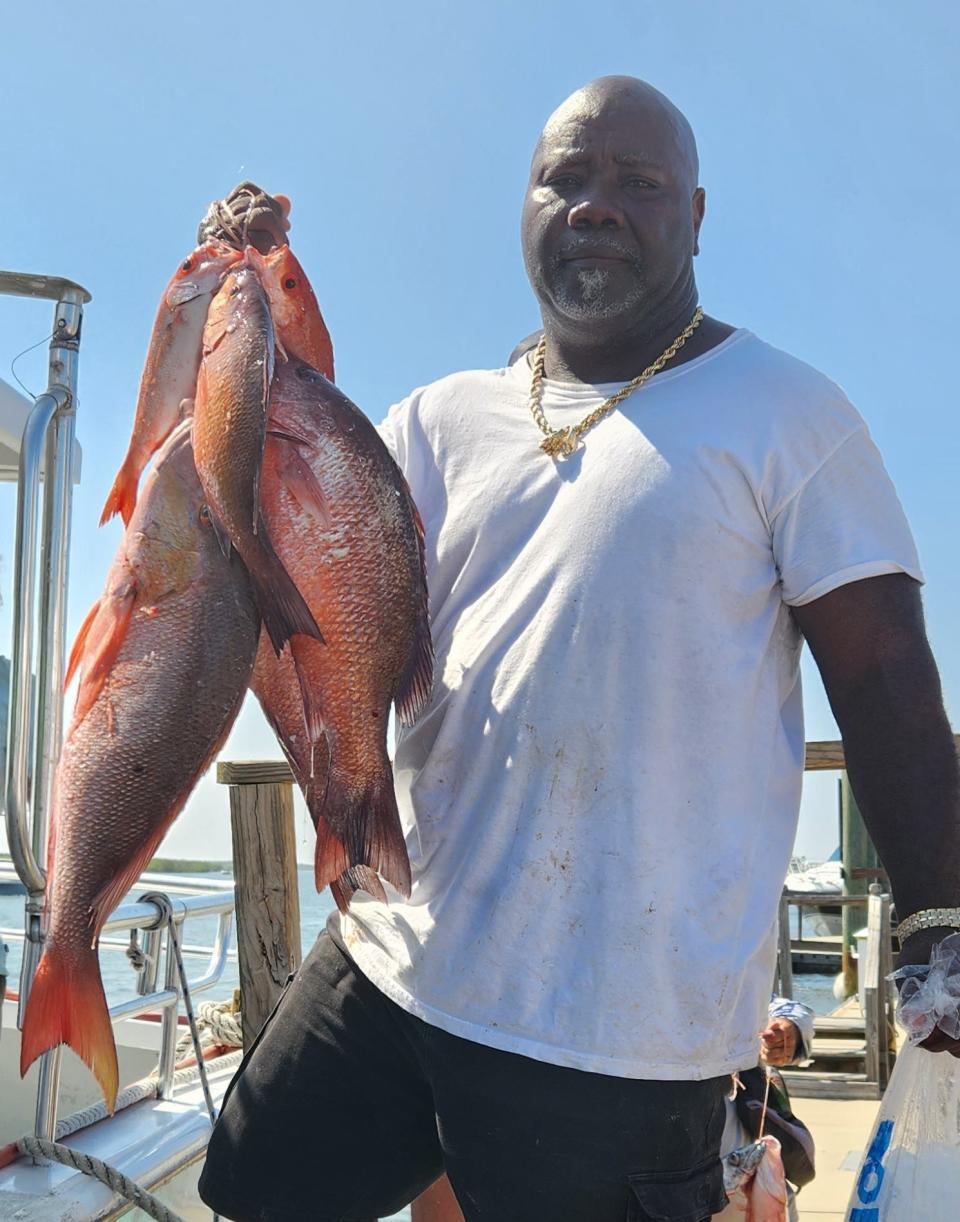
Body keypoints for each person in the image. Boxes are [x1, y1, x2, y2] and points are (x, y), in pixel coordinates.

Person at [198, 76, 960, 1222]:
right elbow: (306, 575)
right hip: (394, 959)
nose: (596, 204)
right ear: (524, 207)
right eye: (567, 177)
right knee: (253, 1191)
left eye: (638, 183)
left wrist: (938, 946)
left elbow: (887, 687)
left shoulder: (788, 414)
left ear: (697, 216)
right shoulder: (437, 416)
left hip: (617, 1040)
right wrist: (233, 308)